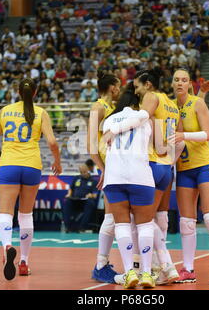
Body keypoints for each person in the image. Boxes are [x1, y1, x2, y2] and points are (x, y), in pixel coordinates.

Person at [108, 69, 181, 285]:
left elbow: (142, 118)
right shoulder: (172, 104)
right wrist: (171, 161)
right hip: (166, 166)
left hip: (148, 163)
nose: (136, 90)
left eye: (138, 85)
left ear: (148, 85)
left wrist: (115, 128)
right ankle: (163, 268)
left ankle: (161, 266)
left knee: (141, 221)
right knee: (158, 219)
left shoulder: (151, 97)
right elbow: (179, 138)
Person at [0, 78, 62, 280]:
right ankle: (24, 262)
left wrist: (1, 160)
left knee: (5, 213)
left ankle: (6, 247)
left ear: (18, 92)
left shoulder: (5, 111)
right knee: (26, 215)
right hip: (31, 165)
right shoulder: (40, 112)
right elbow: (53, 142)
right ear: (35, 93)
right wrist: (57, 162)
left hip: (9, 164)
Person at [168, 68, 209, 285]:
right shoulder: (169, 106)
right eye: (176, 80)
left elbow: (208, 135)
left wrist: (184, 135)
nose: (180, 83)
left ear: (188, 83)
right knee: (186, 223)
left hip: (205, 165)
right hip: (184, 169)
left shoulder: (197, 103)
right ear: (172, 83)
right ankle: (188, 269)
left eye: (184, 80)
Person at [101, 84, 157, 288]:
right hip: (140, 176)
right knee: (144, 226)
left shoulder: (108, 120)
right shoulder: (144, 118)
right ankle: (147, 274)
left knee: (122, 225)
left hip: (114, 177)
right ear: (136, 103)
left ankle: (129, 273)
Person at [87, 71, 121, 284]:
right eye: (118, 86)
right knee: (111, 215)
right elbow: (91, 144)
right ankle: (100, 265)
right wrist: (102, 168)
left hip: (116, 162)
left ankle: (103, 263)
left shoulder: (112, 108)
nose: (120, 90)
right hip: (109, 164)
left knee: (117, 216)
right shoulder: (98, 107)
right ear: (111, 88)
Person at [62, 164, 98, 233]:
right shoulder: (76, 178)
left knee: (90, 203)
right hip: (75, 200)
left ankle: (82, 227)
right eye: (81, 172)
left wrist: (91, 195)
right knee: (67, 202)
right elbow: (71, 188)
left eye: (84, 172)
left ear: (88, 170)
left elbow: (95, 195)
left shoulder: (93, 181)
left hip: (85, 201)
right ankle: (67, 227)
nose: (83, 174)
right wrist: (69, 194)